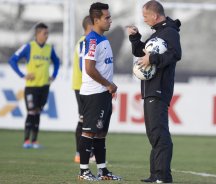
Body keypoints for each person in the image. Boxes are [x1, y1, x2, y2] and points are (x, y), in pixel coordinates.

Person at [127, 0, 182, 183]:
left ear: (155, 15)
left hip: (159, 89)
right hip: (151, 89)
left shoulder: (170, 32)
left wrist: (154, 58)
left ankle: (163, 176)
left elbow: (175, 54)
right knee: (154, 133)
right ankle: (155, 174)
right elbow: (142, 54)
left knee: (159, 133)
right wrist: (135, 38)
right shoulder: (158, 33)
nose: (144, 20)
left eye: (145, 16)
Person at [77, 2, 121, 181]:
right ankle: (84, 171)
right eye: (107, 18)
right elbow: (89, 68)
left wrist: (108, 86)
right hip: (94, 93)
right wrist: (108, 84)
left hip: (102, 92)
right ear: (96, 20)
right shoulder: (93, 39)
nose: (110, 21)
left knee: (101, 133)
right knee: (88, 132)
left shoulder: (102, 38)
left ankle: (103, 171)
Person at [9, 23, 60, 149]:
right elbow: (12, 60)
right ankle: (26, 140)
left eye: (48, 33)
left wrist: (53, 75)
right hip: (31, 87)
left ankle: (35, 141)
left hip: (44, 86)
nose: (47, 36)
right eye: (45, 33)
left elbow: (57, 61)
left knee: (37, 112)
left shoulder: (49, 48)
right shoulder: (28, 47)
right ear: (37, 34)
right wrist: (22, 75)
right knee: (31, 111)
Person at [72, 15, 95, 163]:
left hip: (82, 85)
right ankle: (81, 154)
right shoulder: (84, 42)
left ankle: (82, 153)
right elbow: (83, 65)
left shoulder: (85, 41)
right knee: (85, 121)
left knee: (85, 120)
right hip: (83, 87)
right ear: (91, 26)